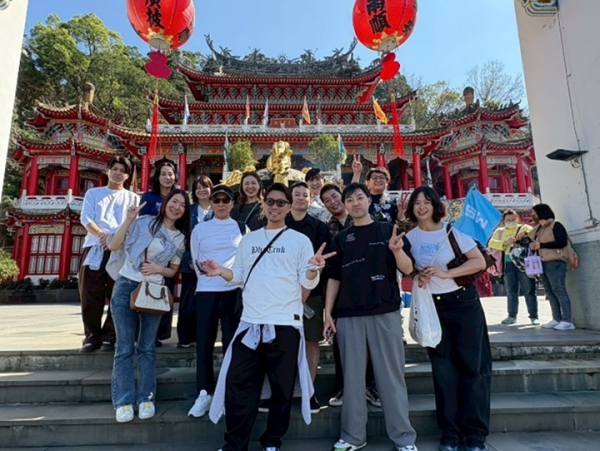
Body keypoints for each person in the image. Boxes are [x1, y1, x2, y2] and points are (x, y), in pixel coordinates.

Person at [203, 183, 335, 451]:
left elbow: (307, 282)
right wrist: (221, 271)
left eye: (281, 203)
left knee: (281, 388)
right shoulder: (249, 240)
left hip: (285, 324)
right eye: (271, 202)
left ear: (288, 207)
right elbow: (239, 275)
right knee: (238, 384)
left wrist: (313, 268)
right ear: (264, 205)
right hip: (250, 323)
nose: (275, 207)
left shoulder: (300, 241)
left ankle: (272, 441)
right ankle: (235, 444)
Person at [323, 183, 417, 451]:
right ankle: (353, 436)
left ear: (368, 201)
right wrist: (328, 312)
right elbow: (334, 277)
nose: (355, 203)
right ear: (345, 205)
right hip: (349, 314)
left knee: (391, 376)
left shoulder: (387, 231)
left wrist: (397, 250)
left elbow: (408, 269)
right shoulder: (342, 239)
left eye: (359, 198)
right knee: (352, 379)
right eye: (349, 200)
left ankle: (404, 437)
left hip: (384, 311)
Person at [404, 186, 490, 451]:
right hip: (433, 306)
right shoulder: (410, 238)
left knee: (473, 368)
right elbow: (408, 270)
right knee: (443, 370)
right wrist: (420, 276)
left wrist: (446, 274)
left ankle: (475, 434)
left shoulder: (453, 231)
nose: (421, 207)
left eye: (426, 202)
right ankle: (450, 433)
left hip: (463, 304)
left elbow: (478, 262)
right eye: (416, 203)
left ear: (435, 205)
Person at [106, 189, 190, 423]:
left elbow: (173, 271)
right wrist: (129, 219)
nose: (176, 207)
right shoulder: (143, 222)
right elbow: (114, 245)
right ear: (165, 203)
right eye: (174, 201)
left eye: (182, 205)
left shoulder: (180, 238)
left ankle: (146, 397)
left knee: (147, 347)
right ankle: (123, 401)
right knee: (124, 347)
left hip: (153, 290)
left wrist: (158, 269)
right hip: (126, 284)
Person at [187, 185, 246, 418]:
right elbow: (196, 258)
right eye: (217, 200)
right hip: (206, 290)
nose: (221, 204)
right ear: (211, 203)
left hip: (232, 290)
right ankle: (204, 392)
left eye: (225, 200)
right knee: (204, 342)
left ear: (232, 203)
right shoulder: (200, 229)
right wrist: (207, 274)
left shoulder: (242, 227)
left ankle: (227, 392)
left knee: (232, 343)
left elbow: (246, 259)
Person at [320, 184, 379, 409]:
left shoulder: (372, 222)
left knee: (371, 344)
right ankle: (344, 387)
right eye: (326, 200)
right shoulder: (327, 228)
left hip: (369, 291)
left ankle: (371, 386)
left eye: (334, 196)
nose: (332, 202)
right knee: (341, 345)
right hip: (341, 292)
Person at [78, 156, 139, 353]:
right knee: (90, 293)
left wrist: (115, 240)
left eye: (123, 170)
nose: (118, 173)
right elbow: (86, 218)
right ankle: (91, 336)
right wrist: (102, 235)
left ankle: (109, 336)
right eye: (115, 169)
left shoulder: (133, 198)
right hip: (94, 246)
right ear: (108, 171)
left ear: (127, 175)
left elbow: (134, 225)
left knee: (118, 294)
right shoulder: (93, 193)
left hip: (120, 250)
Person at [284, 181, 330, 414]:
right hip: (281, 294)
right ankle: (281, 391)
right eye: (297, 194)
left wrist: (308, 288)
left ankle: (308, 391)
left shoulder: (318, 227)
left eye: (305, 194)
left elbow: (323, 262)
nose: (301, 197)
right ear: (290, 198)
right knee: (282, 341)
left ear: (311, 199)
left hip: (312, 294)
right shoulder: (280, 223)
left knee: (311, 341)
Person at [139, 159, 179, 346]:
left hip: (170, 252)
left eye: (170, 174)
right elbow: (142, 224)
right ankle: (146, 335)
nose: (167, 177)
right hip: (151, 252)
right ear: (157, 177)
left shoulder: (178, 197)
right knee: (147, 292)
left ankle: (160, 333)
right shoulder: (149, 197)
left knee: (165, 292)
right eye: (163, 174)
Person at [177, 175, 215, 348]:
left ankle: (202, 337)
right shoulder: (189, 210)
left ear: (211, 188)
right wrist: (189, 261)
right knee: (187, 301)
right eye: (198, 187)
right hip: (190, 263)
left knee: (206, 303)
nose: (202, 190)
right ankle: (185, 338)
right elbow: (182, 237)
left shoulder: (217, 209)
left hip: (211, 265)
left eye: (205, 186)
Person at [527, 203, 575, 331]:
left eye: (534, 213)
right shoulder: (538, 229)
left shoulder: (556, 225)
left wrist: (541, 245)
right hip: (542, 263)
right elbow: (528, 237)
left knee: (559, 290)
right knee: (549, 292)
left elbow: (561, 242)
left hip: (556, 262)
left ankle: (567, 320)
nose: (532, 215)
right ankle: (556, 318)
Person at [488, 209, 537, 325]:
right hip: (508, 263)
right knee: (511, 291)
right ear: (504, 221)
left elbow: (536, 237)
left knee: (529, 290)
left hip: (524, 263)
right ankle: (512, 315)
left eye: (513, 219)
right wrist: (504, 243)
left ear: (518, 218)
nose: (511, 222)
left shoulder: (525, 228)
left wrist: (525, 235)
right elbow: (491, 243)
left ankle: (534, 316)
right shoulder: (499, 231)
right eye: (508, 220)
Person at [351, 156, 402, 223]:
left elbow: (400, 219)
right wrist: (357, 173)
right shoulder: (364, 199)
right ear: (368, 182)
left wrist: (402, 210)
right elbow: (352, 193)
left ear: (387, 182)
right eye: (374, 178)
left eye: (382, 178)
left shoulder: (394, 199)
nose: (378, 180)